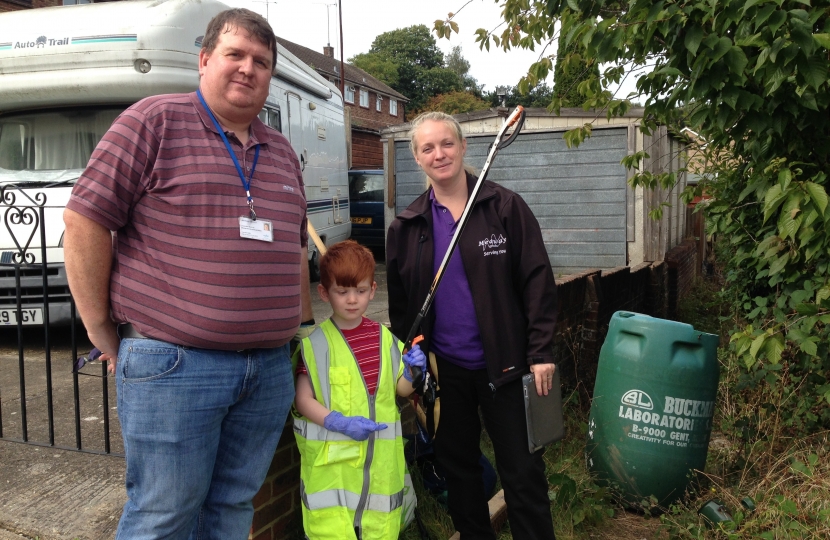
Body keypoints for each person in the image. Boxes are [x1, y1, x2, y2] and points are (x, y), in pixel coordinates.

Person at [62, 9, 314, 539]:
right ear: (204, 60)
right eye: (236, 55)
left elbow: (293, 250)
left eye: (261, 62)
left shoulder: (284, 153)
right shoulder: (152, 121)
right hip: (176, 365)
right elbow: (85, 219)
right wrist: (99, 327)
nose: (249, 69)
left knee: (232, 509)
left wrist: (299, 330)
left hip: (266, 371)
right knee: (163, 515)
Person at [386, 111, 559, 539]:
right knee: (459, 475)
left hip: (508, 365)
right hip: (446, 375)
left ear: (463, 147)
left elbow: (537, 280)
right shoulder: (406, 227)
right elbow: (402, 307)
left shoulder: (503, 207)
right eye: (427, 147)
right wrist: (414, 356)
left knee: (522, 473)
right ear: (417, 158)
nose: (439, 153)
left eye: (447, 143)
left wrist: (540, 353)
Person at [293, 240, 425, 539]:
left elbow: (401, 391)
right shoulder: (315, 346)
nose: (352, 300)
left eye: (361, 291)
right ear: (324, 293)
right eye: (342, 291)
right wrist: (337, 421)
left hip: (381, 473)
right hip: (333, 478)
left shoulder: (385, 339)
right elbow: (303, 399)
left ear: (373, 291)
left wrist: (413, 373)